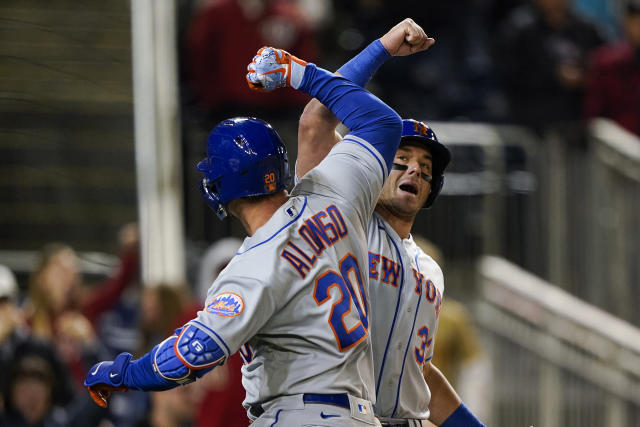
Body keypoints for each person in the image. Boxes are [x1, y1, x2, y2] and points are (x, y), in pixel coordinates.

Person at [83, 30, 432, 425]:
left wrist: (124, 372)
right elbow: (380, 122)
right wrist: (325, 65)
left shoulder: (254, 263)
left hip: (297, 415)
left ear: (220, 187)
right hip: (358, 415)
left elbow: (193, 352)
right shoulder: (332, 194)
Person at [296, 19, 485, 426]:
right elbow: (316, 120)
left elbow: (418, 374)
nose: (413, 170)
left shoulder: (430, 269)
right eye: (401, 159)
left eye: (425, 165)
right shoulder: (342, 218)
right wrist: (381, 48)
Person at [584, 0, 640, 136]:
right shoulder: (607, 62)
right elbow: (594, 115)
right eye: (636, 22)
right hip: (620, 144)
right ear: (626, 23)